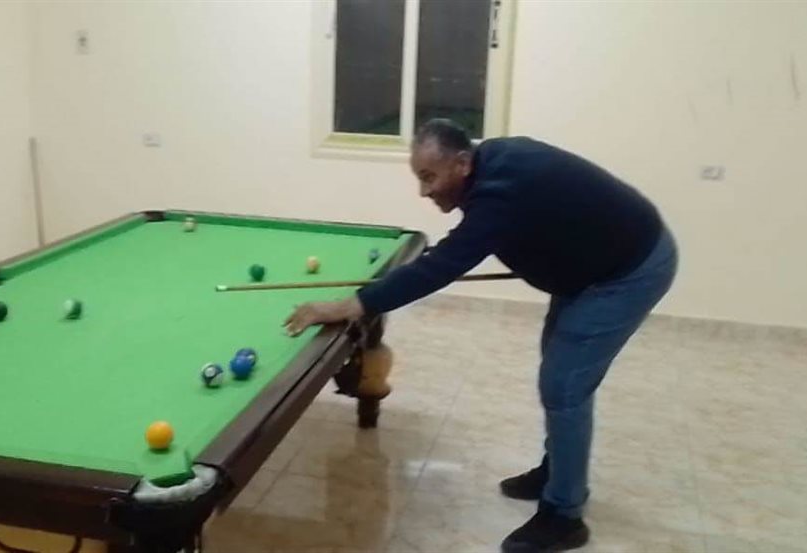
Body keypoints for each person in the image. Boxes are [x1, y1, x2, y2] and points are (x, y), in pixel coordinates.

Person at [284, 119, 678, 553]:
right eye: (419, 178)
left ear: (462, 163)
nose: (424, 191)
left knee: (564, 385)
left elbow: (442, 266)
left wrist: (349, 305)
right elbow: (501, 232)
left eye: (429, 177)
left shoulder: (499, 194)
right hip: (590, 269)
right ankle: (556, 470)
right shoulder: (493, 166)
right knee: (557, 368)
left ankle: (565, 516)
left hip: (628, 272)